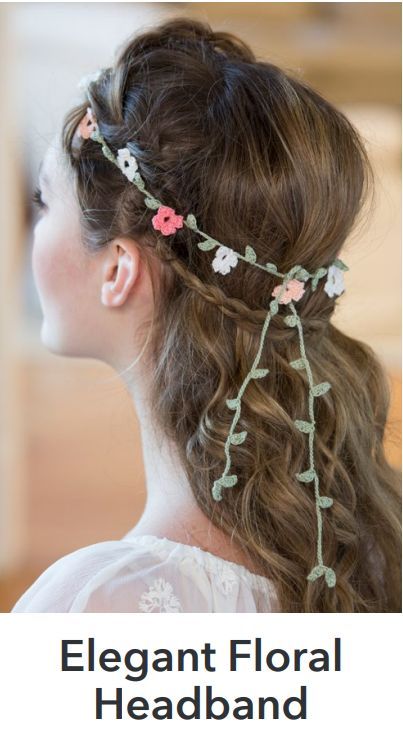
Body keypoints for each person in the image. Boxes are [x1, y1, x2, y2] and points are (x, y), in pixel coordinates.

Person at [11, 17, 401, 613]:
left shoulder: (94, 606)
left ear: (119, 269)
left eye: (44, 201)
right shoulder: (370, 544)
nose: (29, 233)